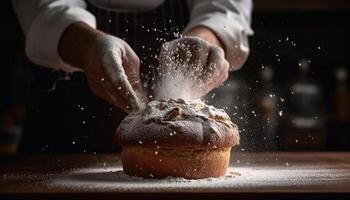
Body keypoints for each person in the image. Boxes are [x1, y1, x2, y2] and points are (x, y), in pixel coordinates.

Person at [12, 0, 253, 153]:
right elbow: (42, 8)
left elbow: (225, 8)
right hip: (60, 141)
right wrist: (88, 47)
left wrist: (205, 41)